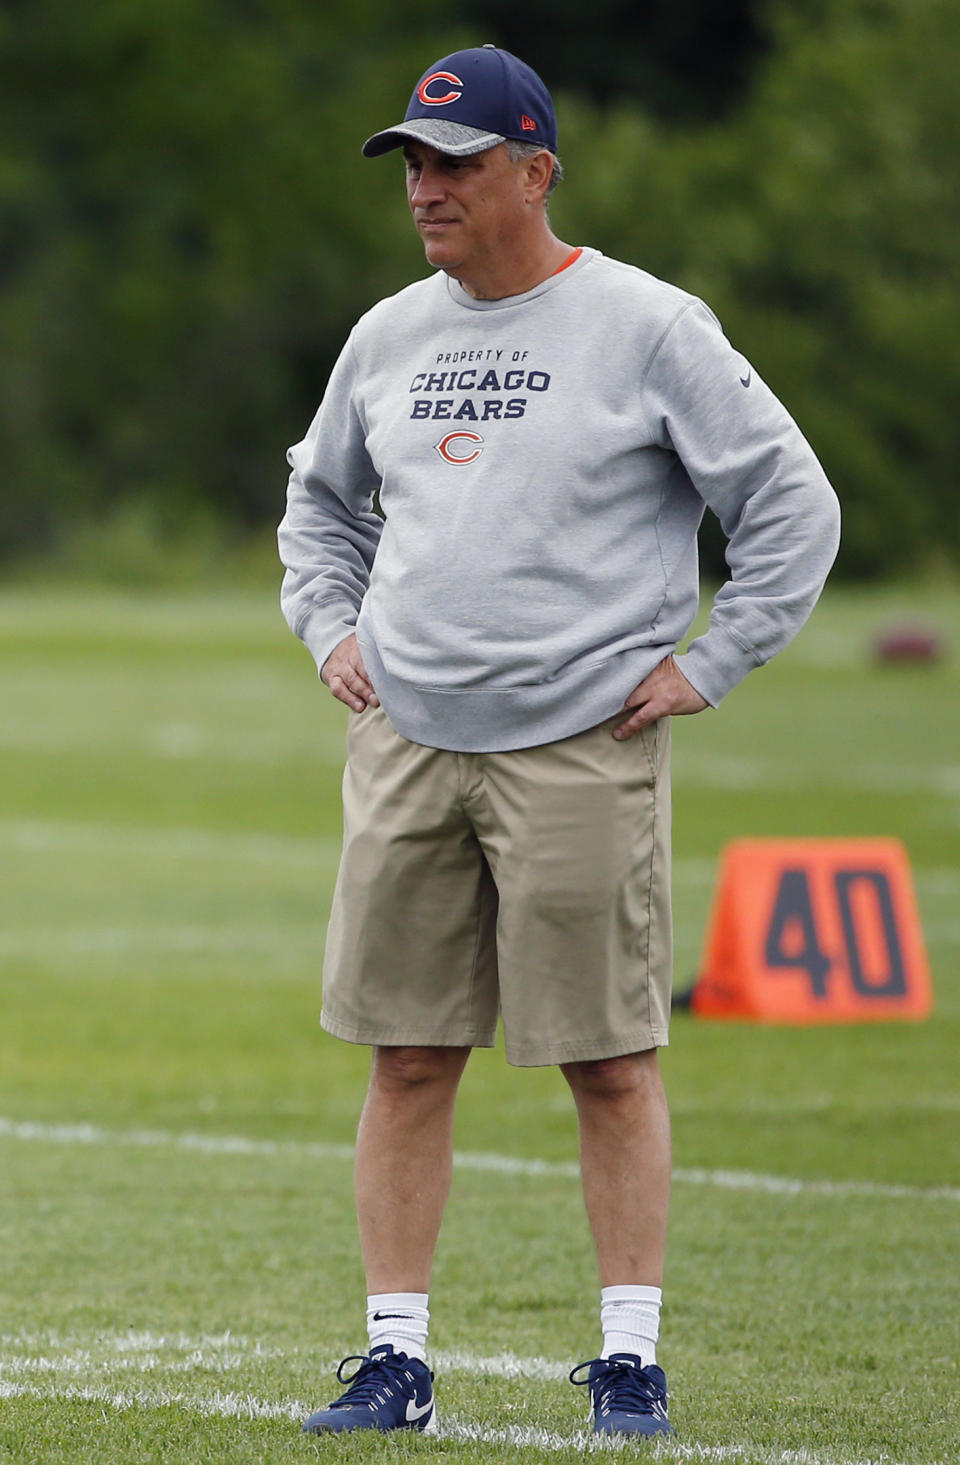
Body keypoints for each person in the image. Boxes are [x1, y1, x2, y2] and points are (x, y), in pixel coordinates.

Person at [278, 44, 840, 1439]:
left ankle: (631, 1357)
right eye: (413, 161)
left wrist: (709, 662)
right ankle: (393, 1357)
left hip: (580, 747)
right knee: (405, 1055)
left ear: (536, 170)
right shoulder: (388, 334)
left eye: (455, 162)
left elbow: (790, 503)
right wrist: (329, 630)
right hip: (408, 738)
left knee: (609, 1057)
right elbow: (318, 505)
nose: (426, 188)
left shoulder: (648, 326)